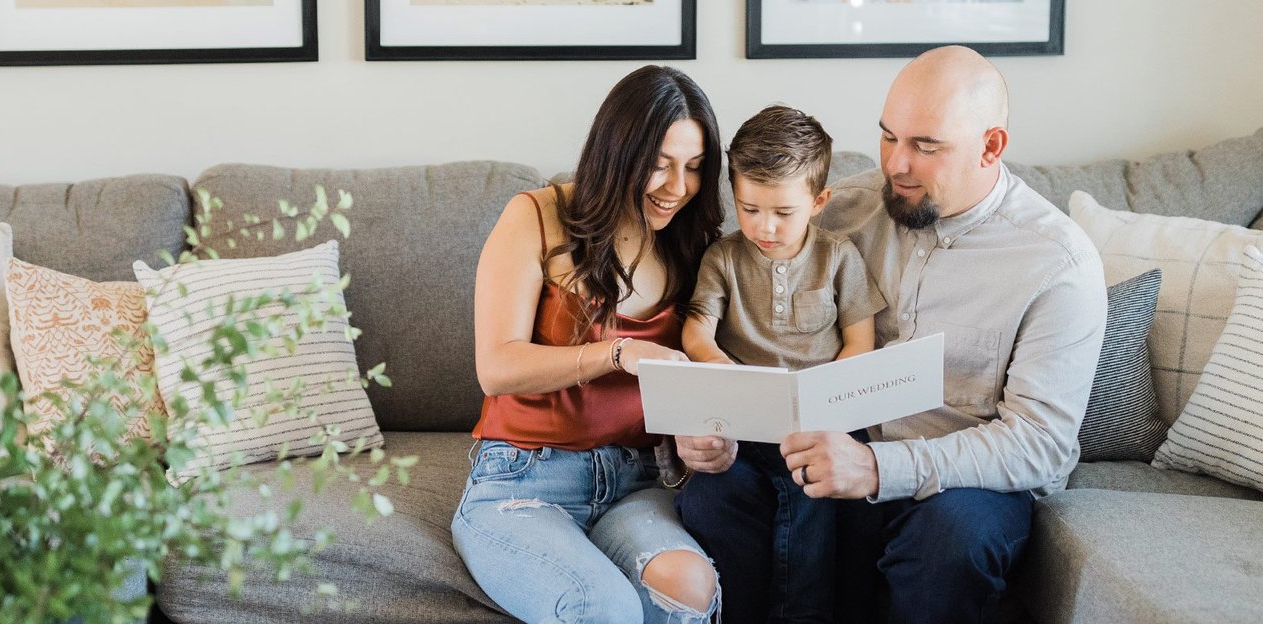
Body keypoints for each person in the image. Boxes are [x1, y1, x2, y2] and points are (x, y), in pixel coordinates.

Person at [675, 45, 1108, 624]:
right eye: (888, 137)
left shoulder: (1057, 263)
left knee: (953, 539)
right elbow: (739, 310)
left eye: (925, 146)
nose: (896, 165)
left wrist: (879, 468)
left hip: (954, 480)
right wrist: (703, 424)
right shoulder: (839, 210)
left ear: (991, 146)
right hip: (820, 451)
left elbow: (1042, 443)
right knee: (715, 490)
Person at [452, 64, 724, 623]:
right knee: (601, 607)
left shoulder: (692, 242)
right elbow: (496, 366)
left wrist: (713, 441)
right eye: (659, 165)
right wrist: (617, 352)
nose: (678, 188)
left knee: (691, 585)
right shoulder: (537, 216)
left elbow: (706, 373)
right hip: (522, 479)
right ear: (617, 152)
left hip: (638, 481)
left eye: (694, 168)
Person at [674, 104, 886, 622]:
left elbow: (861, 341)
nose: (764, 227)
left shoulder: (839, 257)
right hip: (746, 423)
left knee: (814, 488)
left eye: (782, 213)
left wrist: (829, 398)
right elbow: (696, 328)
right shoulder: (723, 258)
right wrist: (720, 367)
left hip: (820, 421)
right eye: (749, 208)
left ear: (818, 202)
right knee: (705, 494)